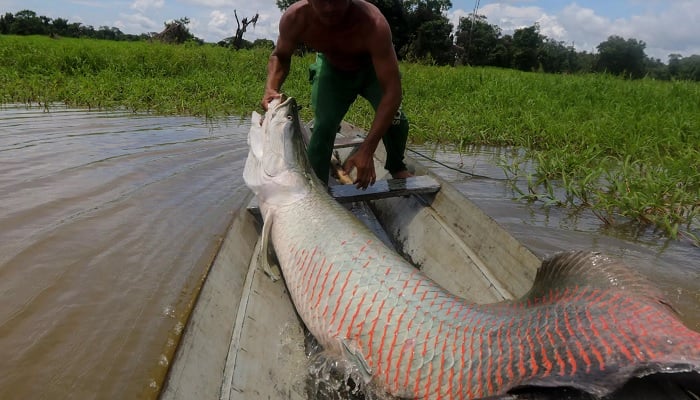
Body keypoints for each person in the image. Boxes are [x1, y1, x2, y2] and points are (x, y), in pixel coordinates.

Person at [261, 0, 412, 189]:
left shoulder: (373, 23)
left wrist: (367, 149)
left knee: (396, 121)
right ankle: (317, 188)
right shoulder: (296, 18)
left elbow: (392, 92)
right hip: (333, 70)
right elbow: (280, 56)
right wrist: (271, 88)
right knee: (323, 128)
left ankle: (396, 166)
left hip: (371, 70)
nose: (329, 8)